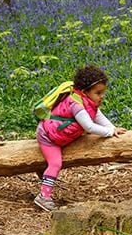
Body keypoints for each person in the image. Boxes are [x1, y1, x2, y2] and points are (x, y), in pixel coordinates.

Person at [34, 65, 126, 211]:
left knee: (55, 162)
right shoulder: (76, 104)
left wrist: (113, 129)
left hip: (61, 135)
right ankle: (43, 197)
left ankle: (44, 176)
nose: (102, 96)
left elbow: (98, 117)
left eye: (103, 92)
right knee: (56, 163)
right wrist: (108, 132)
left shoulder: (88, 102)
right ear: (85, 92)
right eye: (98, 93)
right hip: (48, 136)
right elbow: (89, 127)